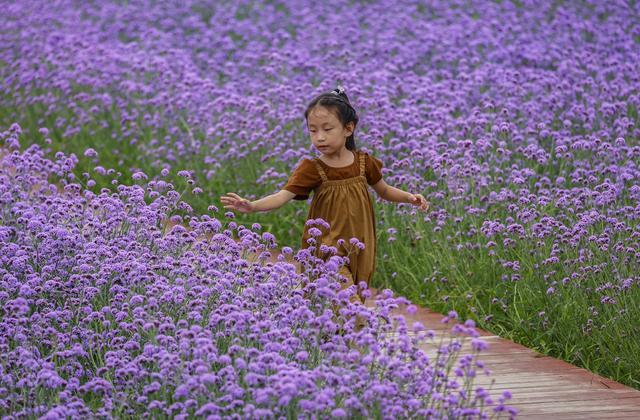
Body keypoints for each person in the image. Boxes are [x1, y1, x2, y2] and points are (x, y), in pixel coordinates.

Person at [220, 86, 429, 304]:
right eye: (313, 130)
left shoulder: (364, 163)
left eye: (327, 129)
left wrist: (409, 197)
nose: (319, 137)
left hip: (360, 244)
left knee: (348, 300)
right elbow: (282, 196)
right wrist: (252, 206)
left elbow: (384, 190)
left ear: (348, 129)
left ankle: (337, 335)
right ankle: (357, 330)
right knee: (349, 303)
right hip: (327, 246)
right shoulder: (313, 168)